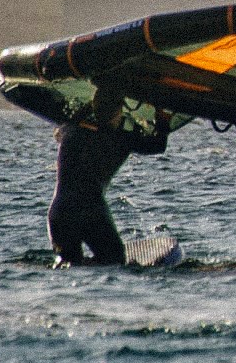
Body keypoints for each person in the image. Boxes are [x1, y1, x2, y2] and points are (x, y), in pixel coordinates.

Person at [48, 86, 167, 266]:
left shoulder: (70, 130)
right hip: (91, 211)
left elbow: (66, 125)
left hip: (59, 214)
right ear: (119, 110)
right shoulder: (122, 139)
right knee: (115, 261)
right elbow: (158, 145)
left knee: (68, 263)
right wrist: (162, 115)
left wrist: (91, 105)